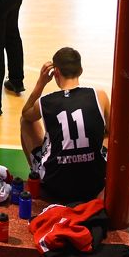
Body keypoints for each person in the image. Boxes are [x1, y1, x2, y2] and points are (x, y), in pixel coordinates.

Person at [20, 47, 109, 203]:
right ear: (80, 70)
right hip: (94, 184)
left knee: (26, 121)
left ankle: (36, 174)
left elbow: (26, 113)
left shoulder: (45, 101)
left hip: (55, 186)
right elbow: (115, 133)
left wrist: (41, 83)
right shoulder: (99, 95)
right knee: (108, 133)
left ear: (56, 73)